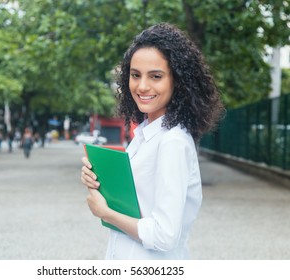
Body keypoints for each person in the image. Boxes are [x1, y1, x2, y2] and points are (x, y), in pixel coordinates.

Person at [80, 23, 224, 259]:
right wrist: (97, 180)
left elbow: (164, 236)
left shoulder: (172, 142)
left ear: (177, 81)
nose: (142, 86)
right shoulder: (146, 133)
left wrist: (106, 214)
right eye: (135, 75)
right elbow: (136, 200)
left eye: (155, 76)